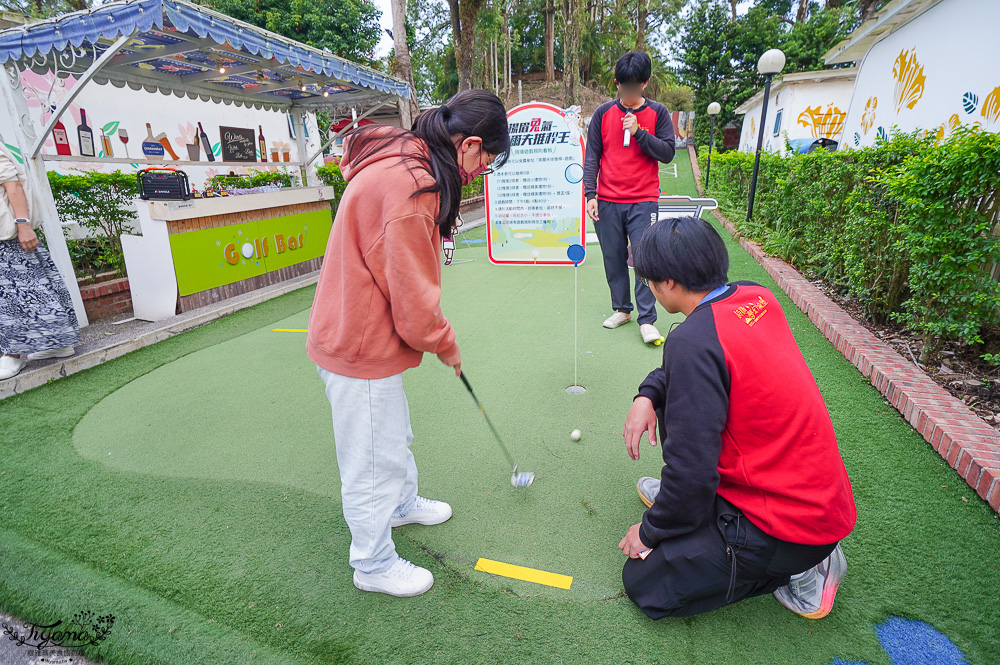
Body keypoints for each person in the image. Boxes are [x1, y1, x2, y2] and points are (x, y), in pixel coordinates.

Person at [307, 90, 510, 598]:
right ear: (470, 145)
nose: (482, 170)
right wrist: (446, 343)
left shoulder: (406, 158)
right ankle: (372, 562)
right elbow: (415, 307)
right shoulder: (410, 188)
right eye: (486, 160)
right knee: (372, 457)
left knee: (390, 434)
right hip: (358, 343)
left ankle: (401, 504)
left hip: (360, 329)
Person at [617, 215, 856, 619]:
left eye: (649, 281)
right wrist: (647, 395)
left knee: (645, 582)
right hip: (817, 498)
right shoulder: (753, 296)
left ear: (669, 283)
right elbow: (690, 369)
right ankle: (696, 513)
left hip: (793, 526)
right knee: (671, 401)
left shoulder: (694, 342)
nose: (651, 290)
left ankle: (806, 568)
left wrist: (651, 530)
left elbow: (693, 473)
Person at [583, 51, 676, 345]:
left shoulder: (658, 113)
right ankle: (622, 309)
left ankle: (647, 320)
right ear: (617, 83)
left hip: (643, 200)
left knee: (644, 259)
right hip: (608, 201)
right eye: (623, 87)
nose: (628, 93)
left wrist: (639, 133)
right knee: (613, 258)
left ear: (645, 84)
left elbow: (667, 153)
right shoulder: (603, 113)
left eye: (634, 87)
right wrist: (590, 194)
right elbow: (592, 156)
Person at [0, 143, 79, 381]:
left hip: (8, 237)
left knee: (12, 299)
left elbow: (12, 187)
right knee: (39, 289)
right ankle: (58, 343)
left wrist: (23, 226)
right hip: (9, 238)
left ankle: (14, 353)